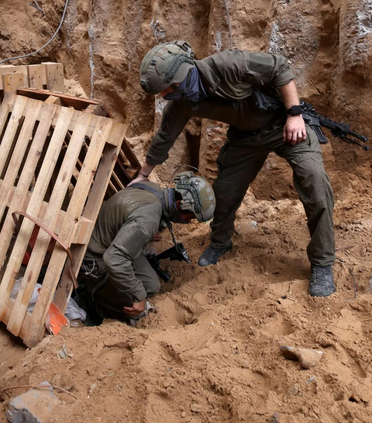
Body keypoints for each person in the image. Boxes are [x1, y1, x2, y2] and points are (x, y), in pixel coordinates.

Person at [130, 41, 336, 297]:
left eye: (167, 90)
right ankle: (220, 242)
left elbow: (280, 68)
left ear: (181, 77)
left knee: (315, 183)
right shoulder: (182, 101)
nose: (165, 96)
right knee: (224, 194)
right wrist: (143, 174)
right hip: (245, 138)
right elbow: (164, 137)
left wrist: (294, 114)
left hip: (285, 126)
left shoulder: (229, 64)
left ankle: (322, 262)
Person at [76, 171, 215, 323]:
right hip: (94, 257)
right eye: (190, 217)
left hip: (111, 241)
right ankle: (93, 303)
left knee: (151, 285)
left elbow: (130, 218)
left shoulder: (153, 189)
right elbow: (114, 260)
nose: (188, 222)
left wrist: (143, 234)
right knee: (136, 310)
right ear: (179, 204)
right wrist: (139, 296)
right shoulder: (148, 220)